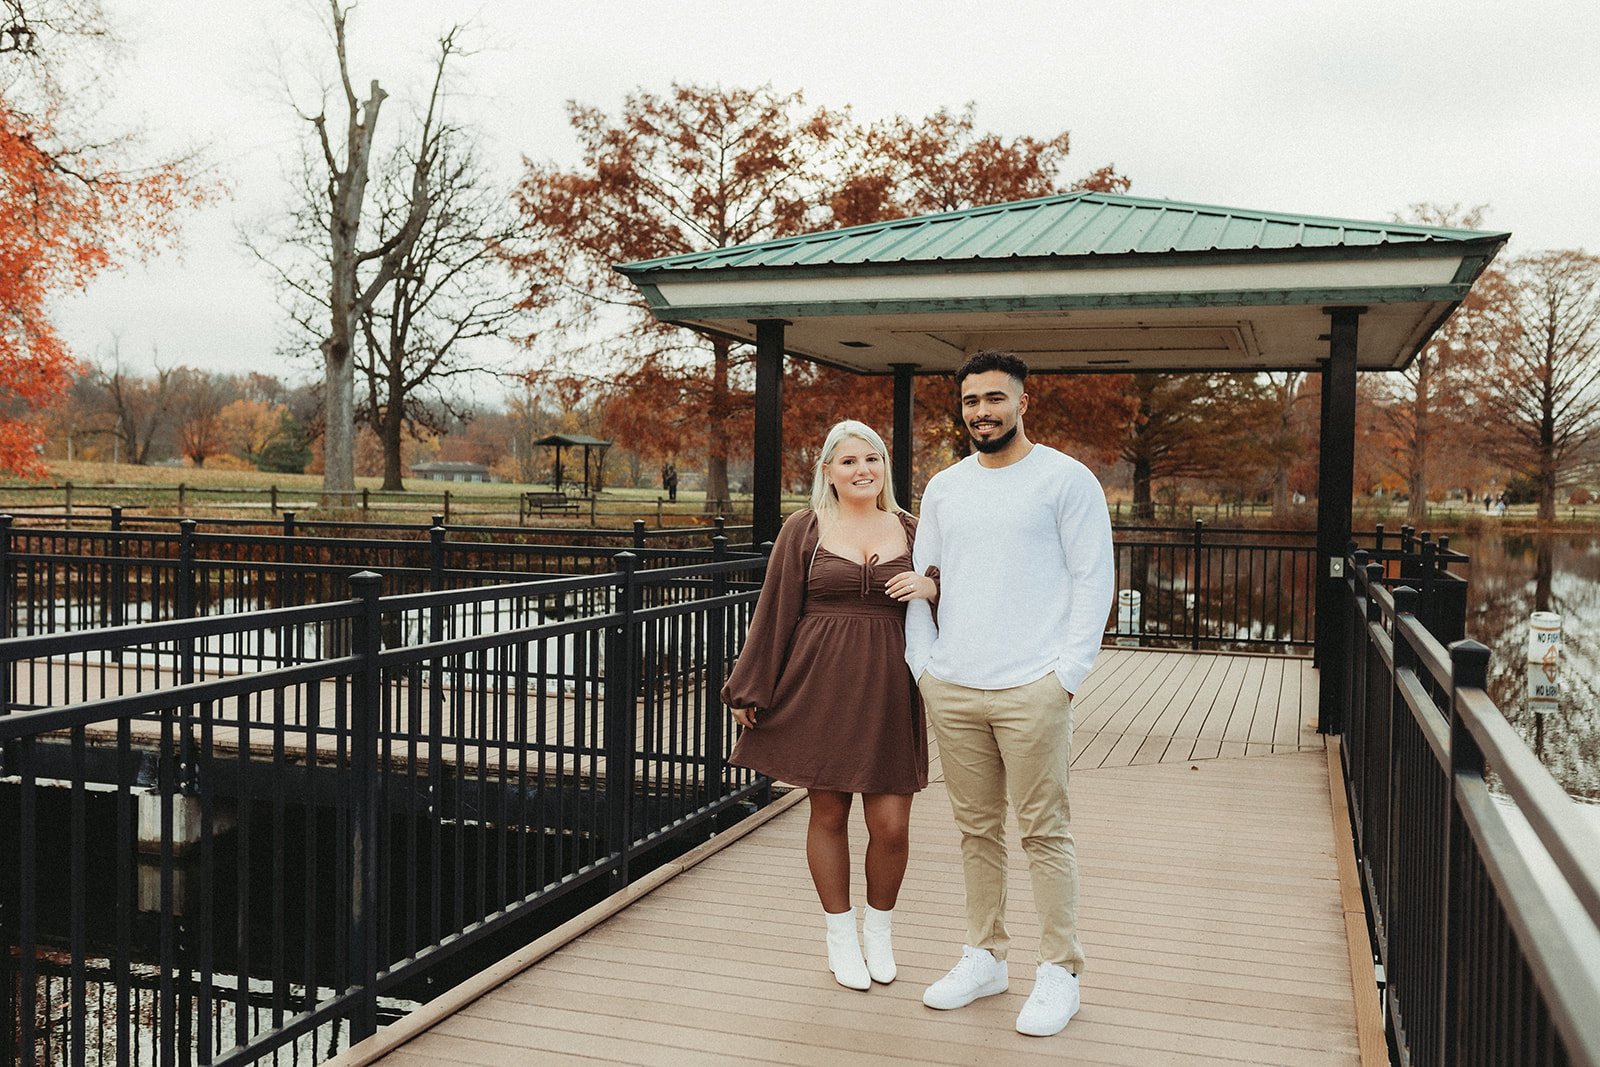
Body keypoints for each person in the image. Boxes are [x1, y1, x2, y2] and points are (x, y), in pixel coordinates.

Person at [904, 350, 1114, 1038]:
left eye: (995, 398)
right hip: (955, 684)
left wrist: (1065, 678)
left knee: (1044, 831)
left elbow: (1093, 580)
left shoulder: (1066, 480)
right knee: (976, 831)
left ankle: (1060, 970)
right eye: (971, 401)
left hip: (1034, 687)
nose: (982, 412)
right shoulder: (944, 487)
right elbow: (922, 579)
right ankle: (985, 956)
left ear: (1025, 402)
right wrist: (923, 665)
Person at [722, 420, 937, 990]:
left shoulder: (916, 530)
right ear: (828, 471)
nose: (862, 469)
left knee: (890, 824)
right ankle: (840, 936)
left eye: (872, 459)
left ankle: (879, 932)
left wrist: (933, 588)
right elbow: (775, 611)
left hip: (893, 688)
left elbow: (958, 594)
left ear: (885, 467)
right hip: (820, 684)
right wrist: (751, 687)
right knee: (829, 813)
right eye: (848, 461)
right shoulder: (805, 528)